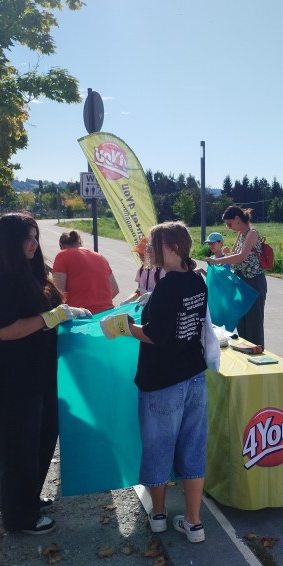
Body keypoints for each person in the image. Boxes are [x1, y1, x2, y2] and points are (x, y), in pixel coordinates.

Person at [0, 212, 90, 535]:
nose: (32, 244)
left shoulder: (34, 270)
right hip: (15, 376)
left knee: (43, 437)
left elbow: (54, 308)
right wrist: (49, 318)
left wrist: (69, 315)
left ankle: (27, 499)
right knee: (20, 447)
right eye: (26, 238)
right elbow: (6, 331)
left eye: (35, 236)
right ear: (10, 242)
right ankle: (19, 518)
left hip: (43, 372)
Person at [117, 221, 209, 544]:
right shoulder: (198, 281)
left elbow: (155, 335)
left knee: (159, 448)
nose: (149, 253)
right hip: (194, 376)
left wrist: (127, 326)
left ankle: (158, 515)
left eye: (153, 246)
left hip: (162, 381)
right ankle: (194, 522)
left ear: (170, 247)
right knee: (193, 450)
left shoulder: (167, 286)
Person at [205, 206, 267, 347]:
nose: (229, 227)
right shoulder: (240, 234)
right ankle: (245, 349)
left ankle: (256, 351)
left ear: (237, 219)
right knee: (241, 318)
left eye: (229, 223)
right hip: (241, 281)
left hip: (254, 282)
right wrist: (225, 255)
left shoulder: (252, 233)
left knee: (254, 320)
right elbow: (233, 256)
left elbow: (240, 257)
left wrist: (217, 260)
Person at [52, 230, 119, 314]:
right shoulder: (100, 257)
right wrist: (98, 303)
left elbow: (58, 293)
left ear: (62, 246)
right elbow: (115, 290)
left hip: (81, 317)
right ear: (80, 242)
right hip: (107, 314)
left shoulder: (62, 255)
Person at [121, 237, 165, 305]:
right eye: (139, 254)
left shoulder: (163, 271)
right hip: (143, 308)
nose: (140, 257)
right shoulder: (141, 270)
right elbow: (139, 291)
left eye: (142, 254)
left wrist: (152, 297)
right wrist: (128, 300)